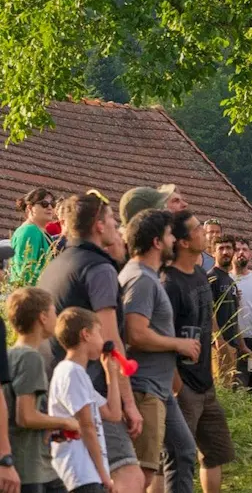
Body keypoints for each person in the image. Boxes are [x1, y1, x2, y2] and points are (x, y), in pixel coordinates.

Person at [37, 193, 144, 493]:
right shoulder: (99, 269)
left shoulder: (56, 266)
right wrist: (129, 403)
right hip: (90, 391)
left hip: (52, 389)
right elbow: (110, 340)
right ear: (99, 225)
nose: (115, 226)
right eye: (111, 220)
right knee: (129, 480)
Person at [117, 211, 197, 493]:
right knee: (142, 473)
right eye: (169, 234)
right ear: (156, 242)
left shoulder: (146, 276)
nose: (174, 239)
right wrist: (178, 344)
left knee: (183, 452)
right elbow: (135, 333)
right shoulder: (141, 279)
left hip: (159, 388)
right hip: (144, 388)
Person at [160, 211, 235, 493]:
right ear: (182, 242)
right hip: (183, 385)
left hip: (206, 382)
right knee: (178, 460)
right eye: (197, 230)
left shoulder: (201, 275)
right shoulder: (169, 283)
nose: (205, 234)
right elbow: (161, 337)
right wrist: (177, 386)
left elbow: (208, 314)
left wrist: (218, 337)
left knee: (215, 453)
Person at [8, 287, 78, 493]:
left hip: (30, 463)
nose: (57, 318)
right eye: (54, 312)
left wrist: (50, 426)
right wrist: (67, 422)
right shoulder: (31, 358)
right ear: (43, 317)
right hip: (28, 468)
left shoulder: (11, 354)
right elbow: (25, 416)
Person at [49, 308, 123, 493]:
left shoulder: (79, 374)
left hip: (90, 474)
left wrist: (110, 374)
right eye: (99, 332)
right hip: (80, 473)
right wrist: (104, 476)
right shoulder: (71, 372)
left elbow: (113, 414)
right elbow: (87, 426)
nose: (102, 339)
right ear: (86, 334)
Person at [207, 238, 249, 389]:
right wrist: (217, 338)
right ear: (213, 252)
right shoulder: (211, 277)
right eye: (221, 248)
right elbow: (208, 311)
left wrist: (242, 345)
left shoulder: (231, 280)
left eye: (229, 248)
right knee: (220, 388)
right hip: (218, 345)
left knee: (229, 387)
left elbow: (234, 315)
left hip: (232, 344)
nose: (225, 252)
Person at [230, 238, 252, 393]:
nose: (241, 253)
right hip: (236, 342)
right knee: (239, 385)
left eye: (244, 249)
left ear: (250, 255)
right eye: (237, 250)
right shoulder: (227, 280)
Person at [11, 189, 57, 287]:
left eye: (52, 204)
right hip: (33, 297)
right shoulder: (29, 231)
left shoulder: (41, 232)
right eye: (44, 204)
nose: (49, 207)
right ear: (30, 208)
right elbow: (26, 274)